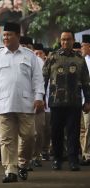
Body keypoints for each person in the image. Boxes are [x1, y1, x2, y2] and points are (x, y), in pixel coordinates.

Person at [0, 22, 44, 183]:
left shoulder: (29, 56)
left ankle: (23, 163)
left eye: (9, 35)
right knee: (6, 139)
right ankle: (10, 170)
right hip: (3, 104)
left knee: (29, 136)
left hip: (25, 104)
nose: (6, 38)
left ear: (17, 36)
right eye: (4, 35)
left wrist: (39, 97)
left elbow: (37, 79)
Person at [43, 30, 90, 171]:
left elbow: (86, 82)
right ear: (60, 40)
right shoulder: (53, 57)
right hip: (56, 102)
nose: (65, 42)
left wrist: (88, 101)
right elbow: (43, 78)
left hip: (74, 102)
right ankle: (57, 159)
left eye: (68, 39)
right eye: (63, 39)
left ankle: (73, 160)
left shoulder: (79, 59)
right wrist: (40, 97)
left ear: (73, 40)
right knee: (56, 132)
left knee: (73, 133)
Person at [80, 34, 90, 166]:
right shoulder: (82, 60)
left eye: (83, 45)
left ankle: (87, 154)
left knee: (88, 127)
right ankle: (84, 153)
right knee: (82, 128)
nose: (81, 47)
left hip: (88, 99)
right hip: (79, 99)